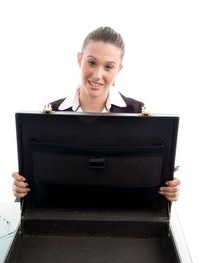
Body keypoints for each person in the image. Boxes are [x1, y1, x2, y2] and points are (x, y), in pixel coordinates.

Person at [12, 26, 180, 201]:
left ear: (119, 70)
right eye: (92, 63)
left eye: (108, 67)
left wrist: (168, 189)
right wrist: (23, 189)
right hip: (61, 217)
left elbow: (146, 181)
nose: (98, 75)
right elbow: (41, 182)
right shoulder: (50, 114)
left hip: (125, 219)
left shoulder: (137, 113)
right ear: (79, 59)